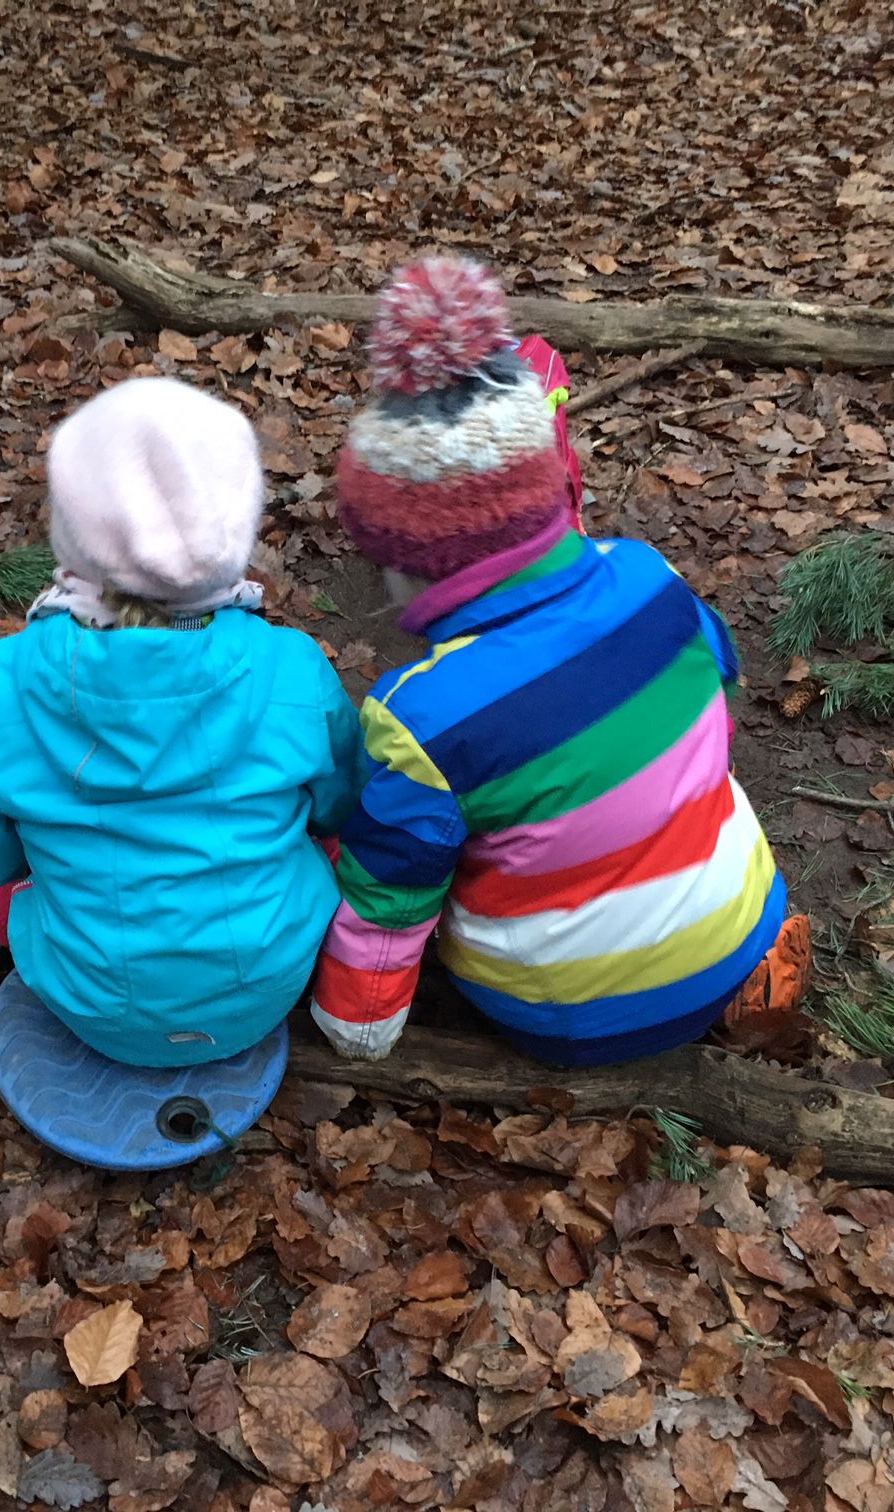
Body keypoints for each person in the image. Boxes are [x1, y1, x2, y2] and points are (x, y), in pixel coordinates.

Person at [310, 254, 799, 1066]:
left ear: (414, 562)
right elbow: (718, 687)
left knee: (406, 835)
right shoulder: (653, 578)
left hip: (566, 1015)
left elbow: (388, 903)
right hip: (741, 930)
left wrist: (357, 1026)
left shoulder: (422, 715)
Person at [0, 377, 362, 1068]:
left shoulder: (2, 679)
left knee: (25, 860)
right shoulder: (293, 667)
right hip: (267, 987)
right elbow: (337, 802)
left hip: (89, 999)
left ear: (72, 537)